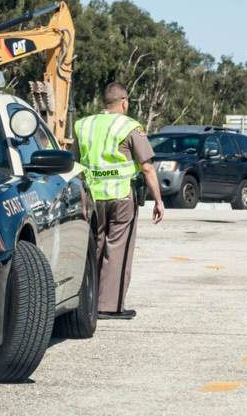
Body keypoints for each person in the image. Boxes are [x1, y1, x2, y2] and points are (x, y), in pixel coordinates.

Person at [72, 82, 164, 320]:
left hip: (92, 197)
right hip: (121, 196)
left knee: (94, 247)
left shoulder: (83, 125)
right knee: (117, 250)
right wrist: (158, 200)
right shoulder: (130, 126)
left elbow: (74, 162)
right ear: (124, 102)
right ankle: (109, 306)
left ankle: (87, 302)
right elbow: (146, 167)